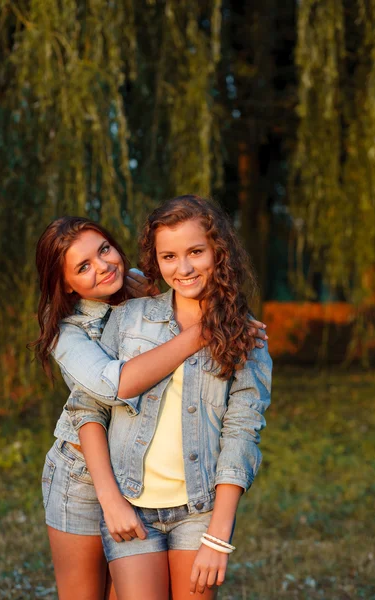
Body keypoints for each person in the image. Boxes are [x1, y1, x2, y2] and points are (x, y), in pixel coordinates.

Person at [30, 215, 267, 600]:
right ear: (66, 286)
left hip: (156, 481)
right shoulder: (69, 332)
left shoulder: (140, 290)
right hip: (83, 477)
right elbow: (111, 390)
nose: (104, 266)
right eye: (83, 267)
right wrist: (207, 331)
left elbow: (181, 275)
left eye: (104, 249)